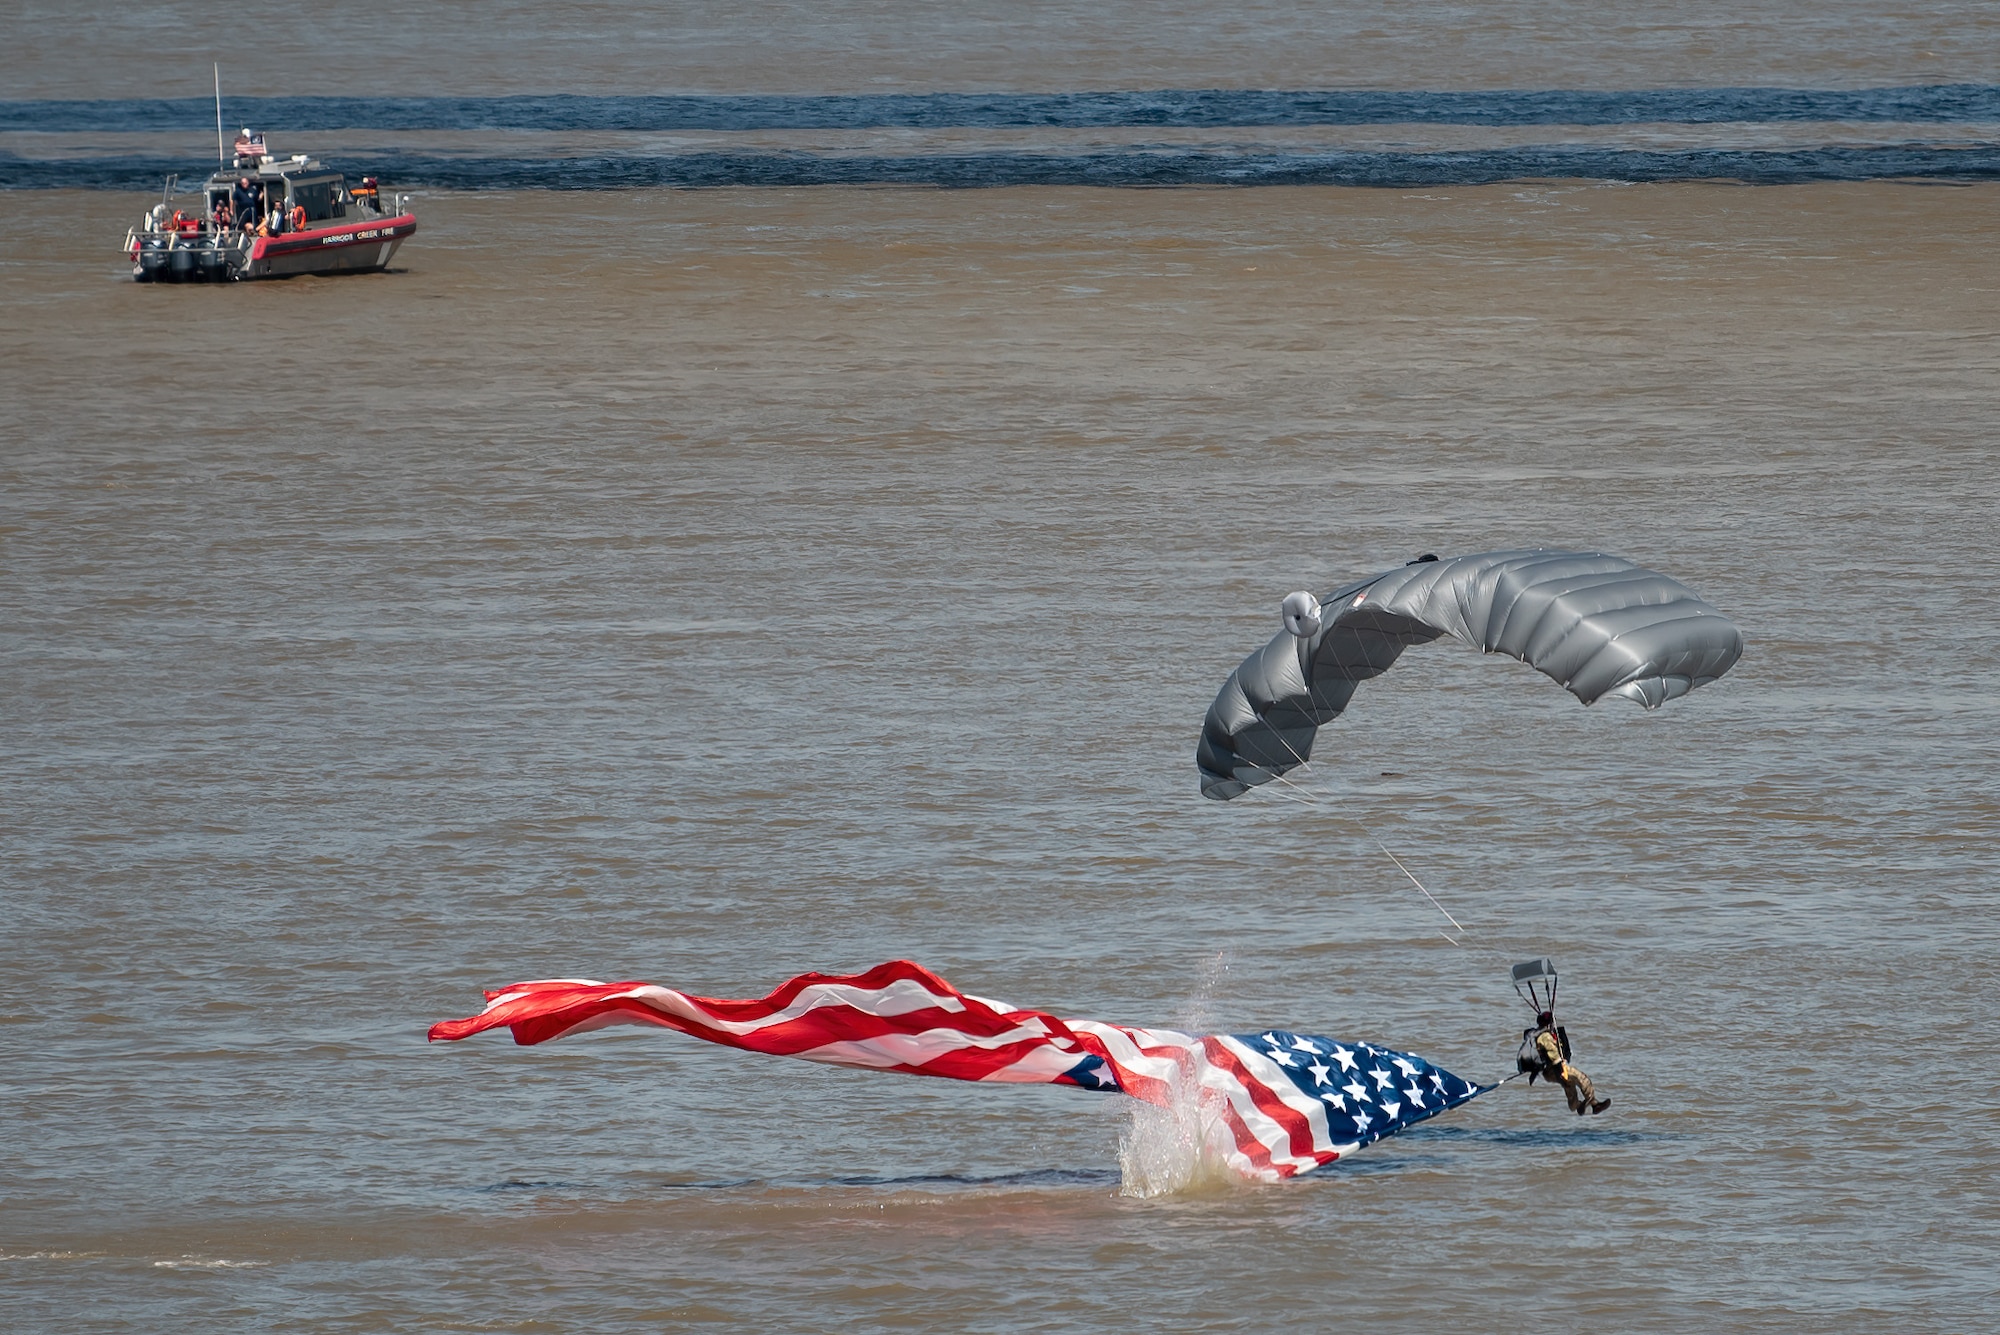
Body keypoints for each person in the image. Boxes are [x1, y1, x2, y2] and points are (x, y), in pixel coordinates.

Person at [1530, 1012, 1609, 1115]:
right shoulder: (1545, 1036)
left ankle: (1576, 1106)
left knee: (1569, 1084)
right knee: (1580, 1077)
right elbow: (1554, 1056)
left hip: (1549, 1072)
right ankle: (1593, 1102)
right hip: (1555, 1069)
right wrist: (1561, 1070)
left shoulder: (1539, 1035)